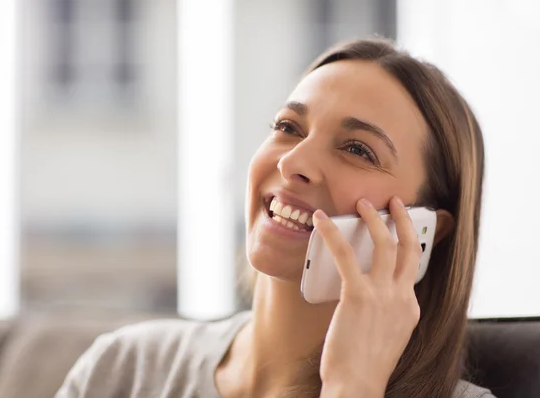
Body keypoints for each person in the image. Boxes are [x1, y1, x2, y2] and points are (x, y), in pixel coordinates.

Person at [56, 38, 494, 398]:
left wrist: (352, 387)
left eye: (358, 150)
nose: (293, 162)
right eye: (288, 127)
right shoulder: (123, 370)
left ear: (425, 233)